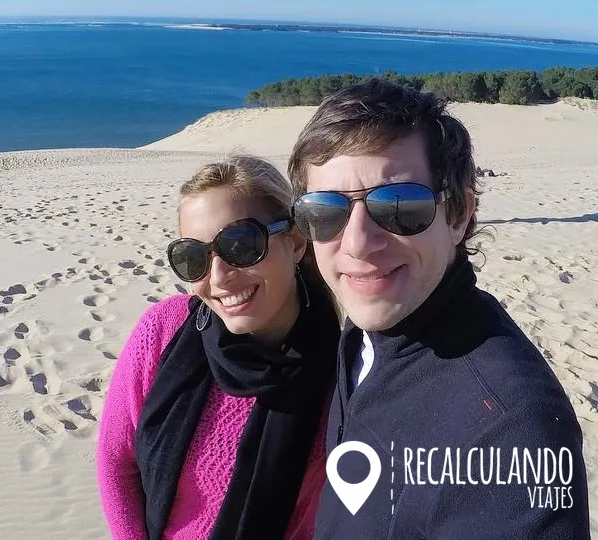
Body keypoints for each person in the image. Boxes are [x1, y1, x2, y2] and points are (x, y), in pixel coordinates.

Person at [286, 79, 590, 538]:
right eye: (324, 211)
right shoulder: (369, 328)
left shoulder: (508, 428)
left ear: (459, 214)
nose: (357, 244)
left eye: (399, 206)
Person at [96, 155, 341, 540]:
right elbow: (116, 463)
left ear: (294, 242)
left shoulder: (342, 375)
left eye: (241, 245)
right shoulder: (164, 330)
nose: (219, 278)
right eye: (193, 257)